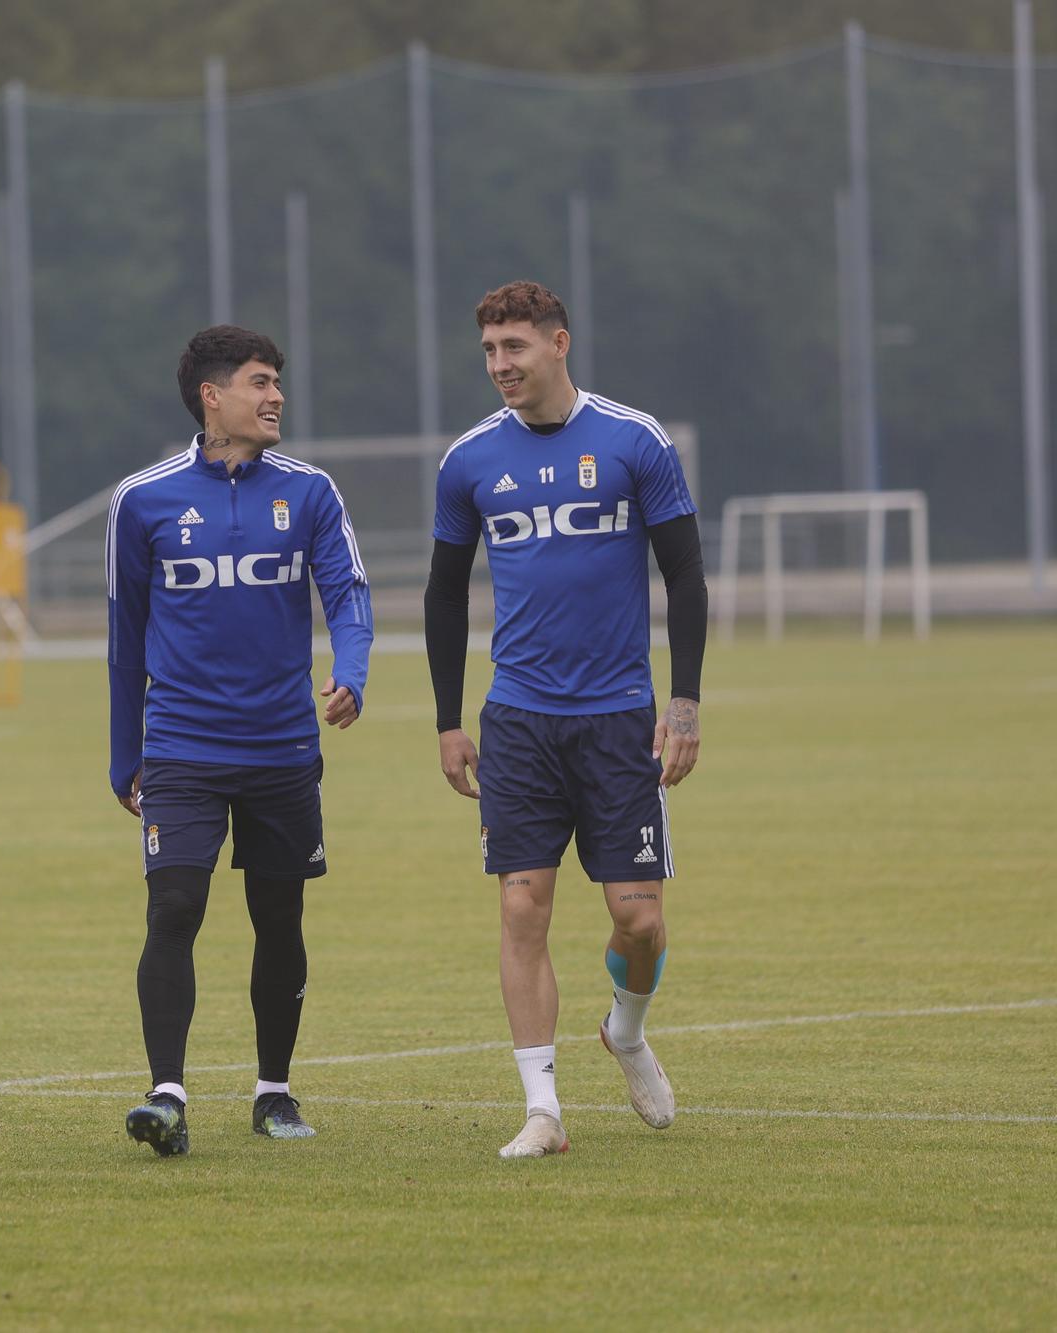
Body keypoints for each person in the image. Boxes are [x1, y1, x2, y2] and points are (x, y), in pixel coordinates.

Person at [424, 281, 706, 1159]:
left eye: (514, 348)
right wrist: (446, 718)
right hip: (518, 722)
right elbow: (442, 594)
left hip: (620, 719)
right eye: (489, 353)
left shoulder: (634, 441)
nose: (500, 366)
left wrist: (685, 702)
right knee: (521, 907)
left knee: (640, 919)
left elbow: (686, 578)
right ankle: (542, 1108)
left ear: (559, 343)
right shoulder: (469, 460)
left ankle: (624, 1030)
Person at [106, 325, 373, 1156]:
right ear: (212, 397)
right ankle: (168, 1095)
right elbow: (125, 638)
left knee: (279, 915)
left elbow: (350, 594)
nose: (276, 396)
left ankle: (274, 1091)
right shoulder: (142, 500)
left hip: (283, 750)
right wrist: (125, 754)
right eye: (261, 382)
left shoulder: (312, 493)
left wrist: (351, 669)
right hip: (181, 747)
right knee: (174, 903)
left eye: (278, 383)